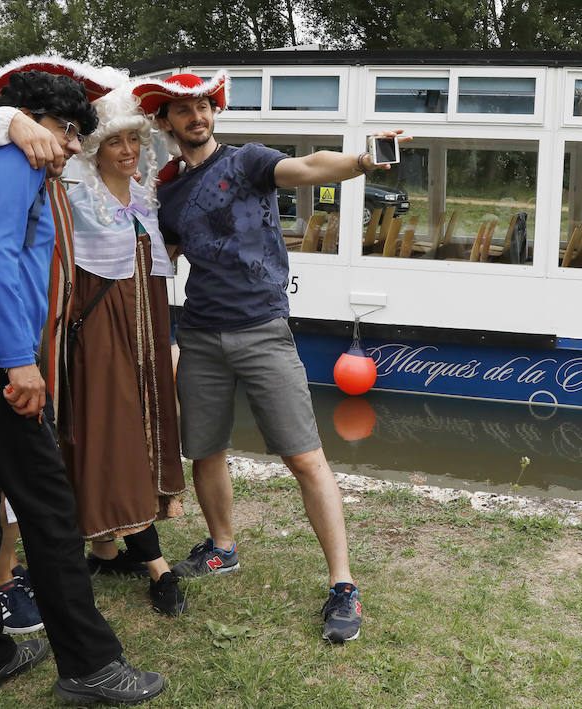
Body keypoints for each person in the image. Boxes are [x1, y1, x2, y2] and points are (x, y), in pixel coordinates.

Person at [0, 67, 164, 704]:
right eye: (71, 130)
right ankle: (89, 665)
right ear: (38, 123)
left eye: (83, 133)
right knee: (51, 511)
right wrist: (20, 362)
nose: (75, 145)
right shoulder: (13, 157)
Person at [133, 71, 406, 643]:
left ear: (215, 112)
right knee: (204, 451)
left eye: (203, 106)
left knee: (305, 458)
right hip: (202, 335)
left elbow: (307, 167)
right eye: (182, 110)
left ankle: (343, 585)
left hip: (262, 331)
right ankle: (223, 547)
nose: (196, 117)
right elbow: (157, 259)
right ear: (164, 123)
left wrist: (361, 162)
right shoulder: (169, 193)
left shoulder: (248, 161)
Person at [64, 86, 186, 615]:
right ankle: (156, 566)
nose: (128, 150)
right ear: (96, 149)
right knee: (113, 431)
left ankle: (104, 545)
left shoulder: (143, 200)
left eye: (134, 140)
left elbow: (152, 264)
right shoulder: (75, 200)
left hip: (145, 330)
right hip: (101, 334)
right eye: (115, 142)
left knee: (141, 424)